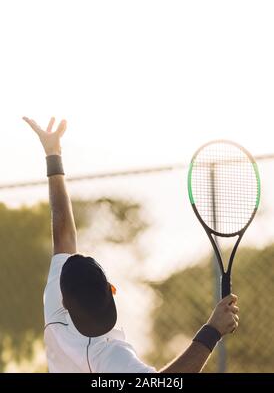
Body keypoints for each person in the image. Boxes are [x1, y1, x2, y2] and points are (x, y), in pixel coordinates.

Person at [23, 116, 239, 373]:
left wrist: (53, 154)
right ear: (111, 290)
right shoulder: (109, 356)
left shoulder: (57, 319)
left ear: (65, 301)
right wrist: (212, 332)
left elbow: (63, 235)